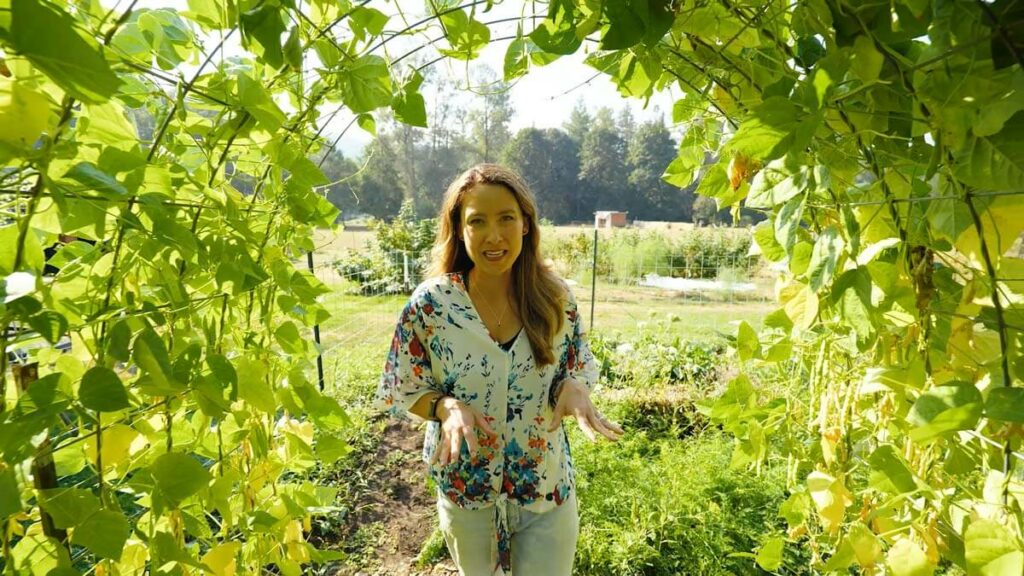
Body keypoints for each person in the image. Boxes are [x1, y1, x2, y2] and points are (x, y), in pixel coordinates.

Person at [374, 164, 623, 576]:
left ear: (526, 223)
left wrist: (575, 387)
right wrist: (445, 408)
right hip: (468, 490)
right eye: (478, 221)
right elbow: (404, 385)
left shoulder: (556, 298)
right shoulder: (431, 306)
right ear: (458, 229)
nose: (494, 235)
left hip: (543, 487)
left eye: (506, 218)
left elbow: (577, 365)